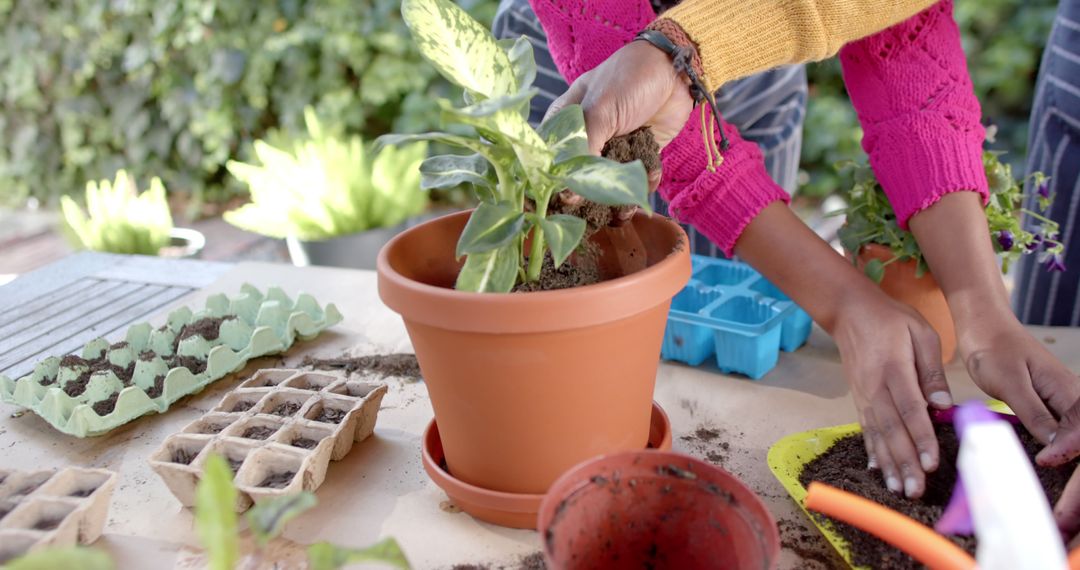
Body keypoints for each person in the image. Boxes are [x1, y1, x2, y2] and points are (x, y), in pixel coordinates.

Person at [515, 0, 1080, 504]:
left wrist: (980, 308)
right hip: (590, 68)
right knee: (583, 393)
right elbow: (649, 111)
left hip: (756, 55)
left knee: (728, 367)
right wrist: (844, 302)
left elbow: (901, 36)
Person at [493, 0, 808, 258]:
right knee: (581, 246)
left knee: (736, 281)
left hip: (758, 32)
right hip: (578, 30)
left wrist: (841, 303)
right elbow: (675, 143)